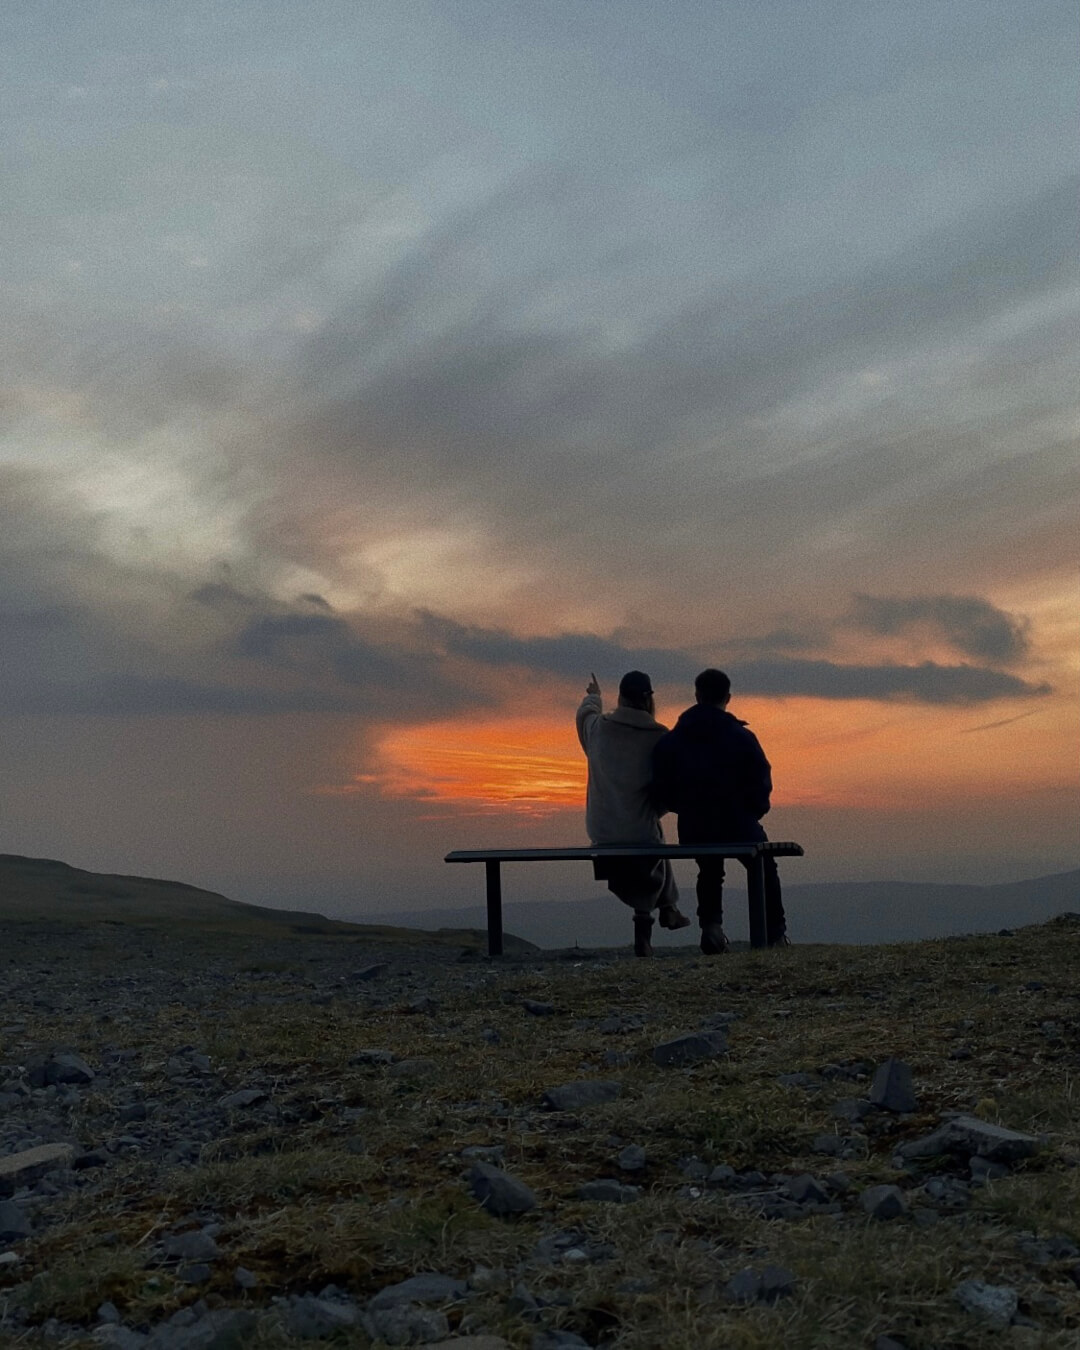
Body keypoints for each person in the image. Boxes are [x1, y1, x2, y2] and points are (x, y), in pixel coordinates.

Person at [652, 667, 788, 954]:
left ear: (697, 696)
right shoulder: (741, 737)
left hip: (694, 827)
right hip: (737, 822)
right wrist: (752, 812)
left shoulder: (672, 740)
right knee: (764, 865)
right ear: (728, 697)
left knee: (710, 869)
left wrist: (685, 808)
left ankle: (711, 928)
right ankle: (774, 935)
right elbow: (761, 780)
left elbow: (662, 786)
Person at [576, 670, 691, 957]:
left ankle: (668, 909)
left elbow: (584, 715)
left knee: (649, 836)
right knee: (649, 837)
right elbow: (670, 787)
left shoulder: (599, 730)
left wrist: (594, 696)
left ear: (621, 698)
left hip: (601, 832)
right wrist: (656, 809)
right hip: (640, 833)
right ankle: (652, 926)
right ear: (649, 699)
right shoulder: (660, 737)